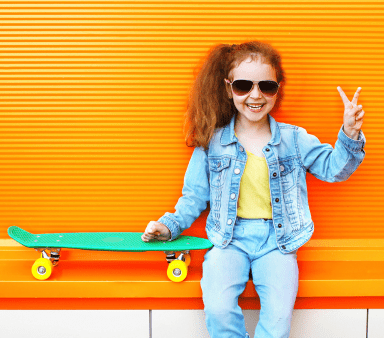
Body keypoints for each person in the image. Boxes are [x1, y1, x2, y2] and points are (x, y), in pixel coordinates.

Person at [142, 41, 366, 338]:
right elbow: (194, 197)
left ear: (277, 88)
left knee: (277, 322)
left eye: (267, 86)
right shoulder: (213, 142)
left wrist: (350, 134)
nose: (255, 95)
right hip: (228, 239)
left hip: (279, 241)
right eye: (244, 85)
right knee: (219, 309)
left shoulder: (294, 139)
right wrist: (169, 227)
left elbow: (333, 169)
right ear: (228, 87)